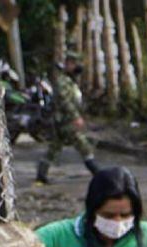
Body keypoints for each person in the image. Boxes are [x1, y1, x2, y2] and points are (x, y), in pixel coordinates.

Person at [37, 50, 99, 184]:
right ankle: (97, 173)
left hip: (63, 120)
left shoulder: (70, 81)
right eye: (75, 63)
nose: (78, 66)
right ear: (69, 64)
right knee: (83, 144)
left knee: (54, 148)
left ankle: (41, 174)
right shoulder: (63, 81)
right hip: (66, 121)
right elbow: (64, 100)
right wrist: (75, 117)